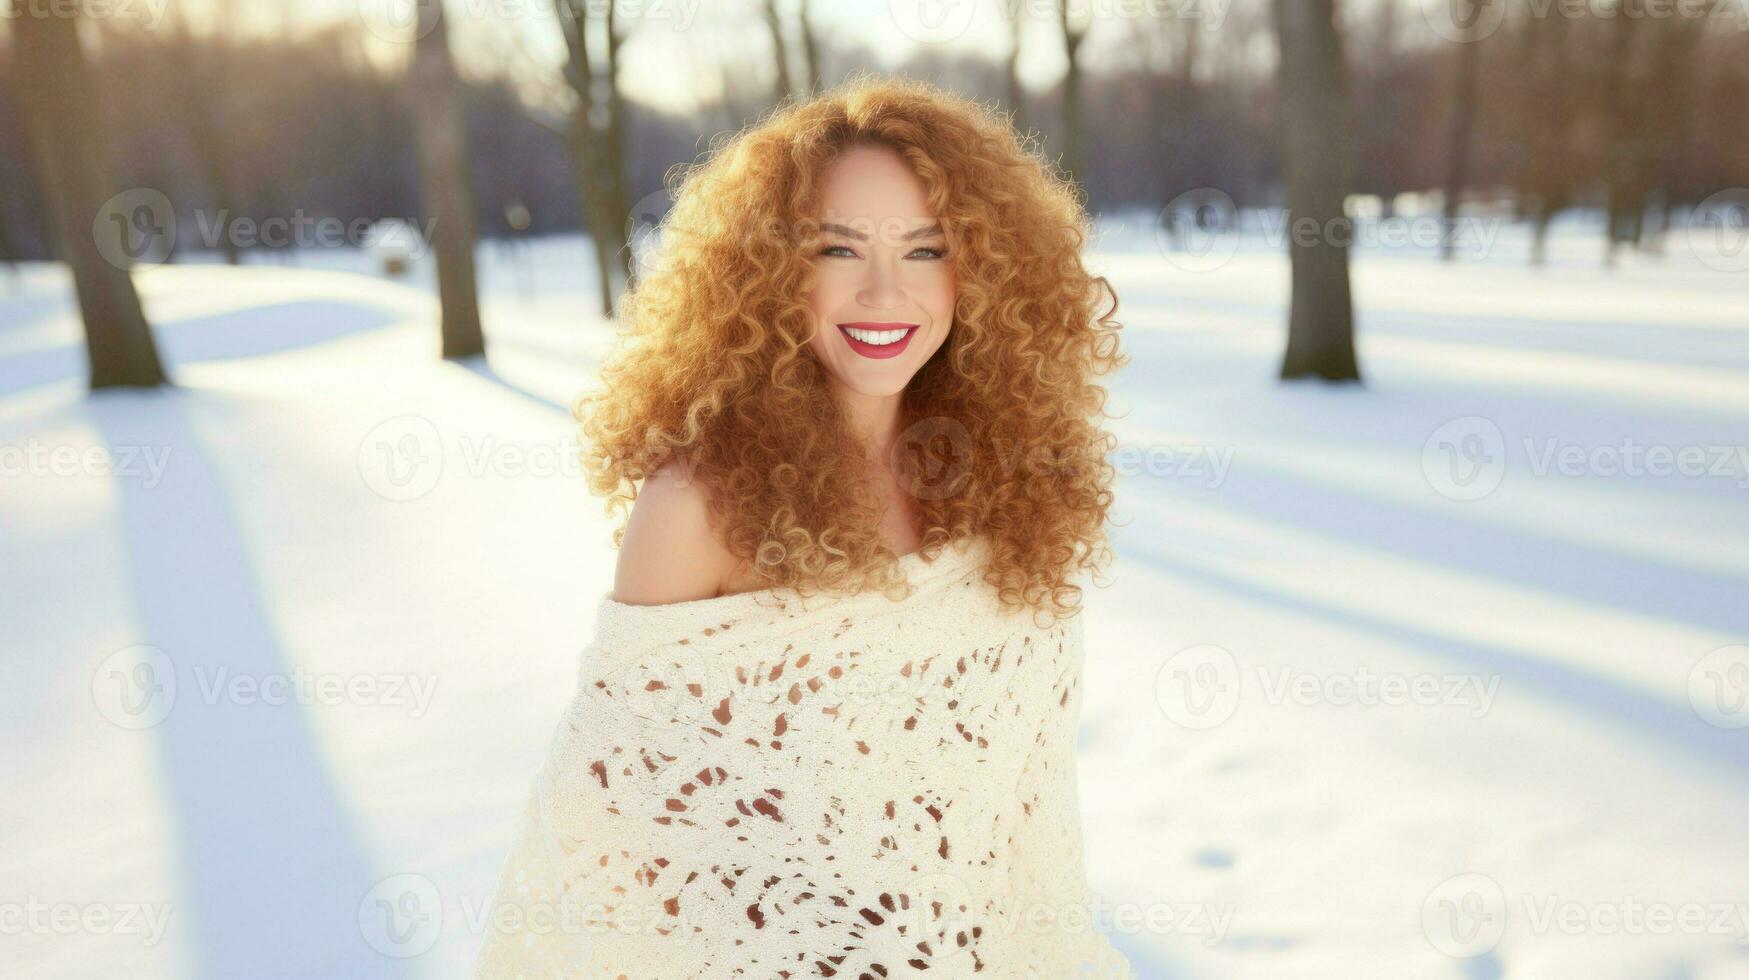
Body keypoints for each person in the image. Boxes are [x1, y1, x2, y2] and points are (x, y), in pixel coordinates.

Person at [476, 75, 1132, 979]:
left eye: (926, 249)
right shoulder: (697, 506)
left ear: (983, 266)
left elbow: (1018, 790)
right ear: (768, 268)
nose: (882, 292)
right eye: (836, 249)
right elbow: (616, 839)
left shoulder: (1011, 479)